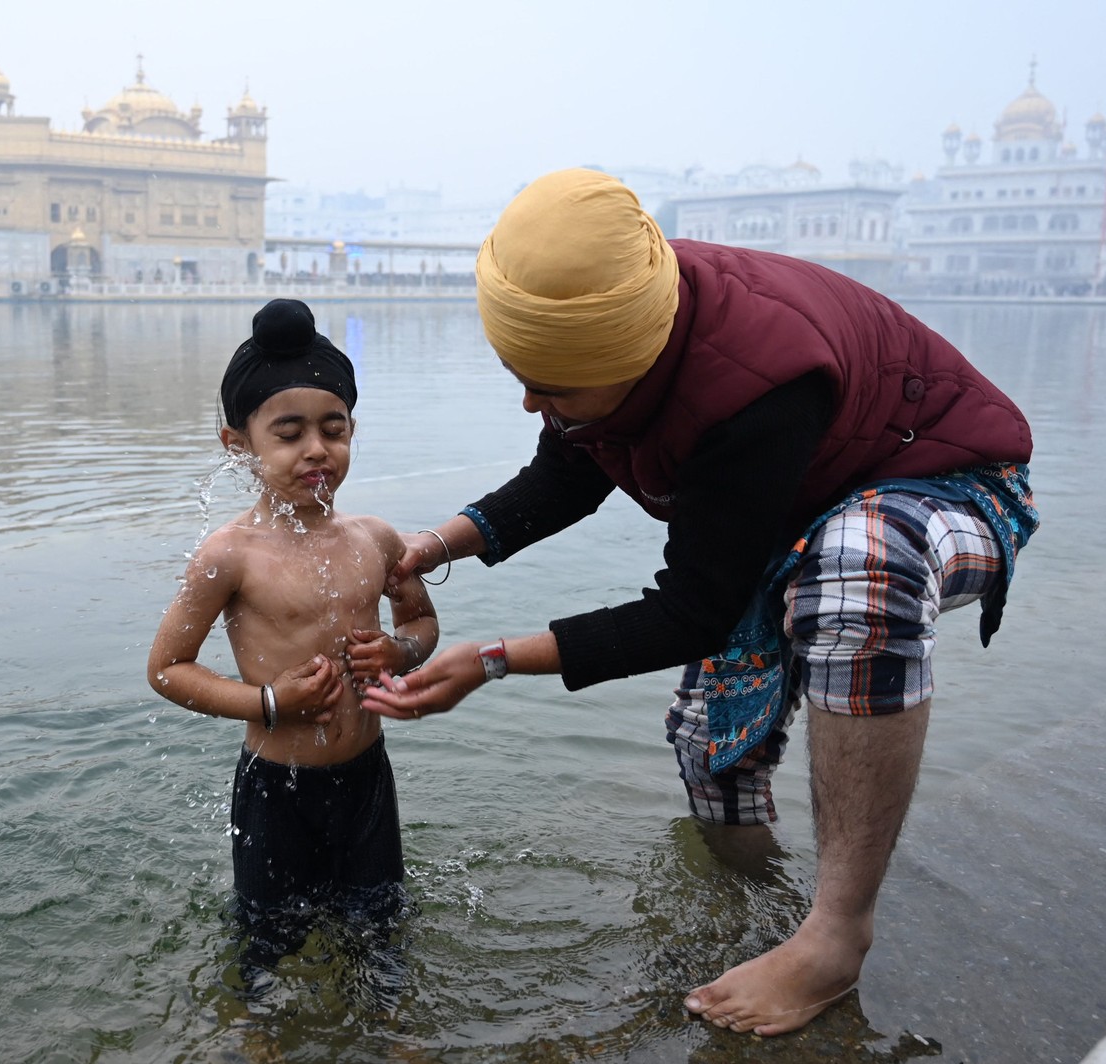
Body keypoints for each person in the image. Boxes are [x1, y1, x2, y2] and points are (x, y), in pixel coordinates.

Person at [360, 169, 1038, 1036]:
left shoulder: (757, 379)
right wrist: (432, 547)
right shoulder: (611, 310)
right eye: (518, 375)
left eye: (549, 386)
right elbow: (568, 469)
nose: (532, 401)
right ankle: (755, 906)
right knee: (709, 747)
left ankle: (834, 935)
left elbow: (692, 612)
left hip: (947, 485)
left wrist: (491, 660)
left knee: (859, 574)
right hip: (791, 508)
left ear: (630, 355)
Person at [146, 297, 439, 971]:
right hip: (276, 784)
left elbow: (420, 623)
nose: (316, 450)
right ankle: (256, 1035)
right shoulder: (231, 554)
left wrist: (399, 651)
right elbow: (167, 669)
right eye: (288, 434)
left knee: (380, 926)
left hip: (368, 774)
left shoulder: (374, 539)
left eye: (334, 430)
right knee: (266, 939)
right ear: (238, 444)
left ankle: (390, 1029)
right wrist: (271, 703)